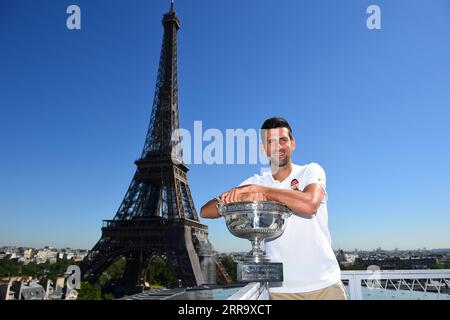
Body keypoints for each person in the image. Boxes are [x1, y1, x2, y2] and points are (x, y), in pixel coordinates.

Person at [200, 117, 346, 300]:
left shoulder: (311, 171)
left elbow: (309, 204)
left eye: (283, 140)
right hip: (281, 292)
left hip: (325, 286)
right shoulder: (255, 182)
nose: (278, 146)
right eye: (271, 142)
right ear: (263, 148)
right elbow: (205, 211)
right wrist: (232, 199)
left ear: (293, 144)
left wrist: (262, 192)